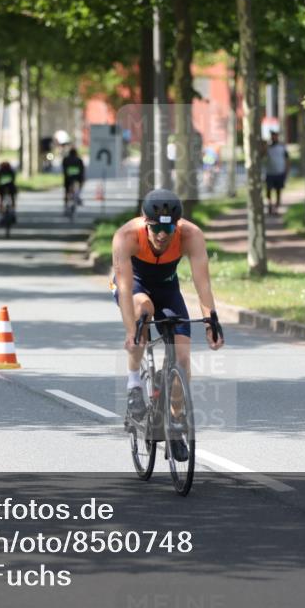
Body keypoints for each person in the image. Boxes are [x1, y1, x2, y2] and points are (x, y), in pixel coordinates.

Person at [111, 189, 224, 462]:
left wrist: (212, 320)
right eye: (156, 228)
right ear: (145, 222)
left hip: (168, 289)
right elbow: (125, 288)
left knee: (183, 359)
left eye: (169, 227)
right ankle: (134, 384)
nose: (163, 234)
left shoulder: (191, 236)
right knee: (143, 311)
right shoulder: (126, 237)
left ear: (178, 225)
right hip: (133, 287)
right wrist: (131, 331)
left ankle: (174, 425)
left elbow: (202, 284)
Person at [264, 129, 288, 215]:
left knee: (278, 191)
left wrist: (286, 171)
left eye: (275, 136)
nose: (274, 137)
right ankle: (270, 206)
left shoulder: (282, 147)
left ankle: (276, 208)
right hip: (270, 173)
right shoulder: (267, 147)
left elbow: (287, 160)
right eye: (272, 136)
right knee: (269, 191)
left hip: (280, 172)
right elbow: (262, 155)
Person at [61, 147, 85, 213]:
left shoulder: (66, 159)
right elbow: (82, 170)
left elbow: (63, 168)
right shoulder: (79, 160)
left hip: (68, 177)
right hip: (77, 177)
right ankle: (78, 195)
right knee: (80, 184)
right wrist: (82, 178)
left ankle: (66, 202)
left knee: (66, 190)